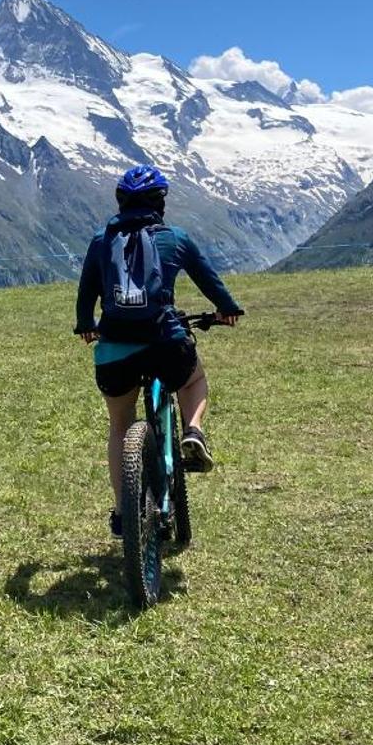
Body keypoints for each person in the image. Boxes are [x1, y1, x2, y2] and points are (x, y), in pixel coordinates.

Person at [75, 165, 243, 536]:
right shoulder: (175, 238)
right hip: (166, 342)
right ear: (160, 203)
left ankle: (124, 512)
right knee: (192, 380)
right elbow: (210, 281)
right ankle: (193, 431)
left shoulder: (102, 241)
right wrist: (228, 309)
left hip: (115, 349)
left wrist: (86, 324)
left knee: (120, 425)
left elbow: (86, 293)